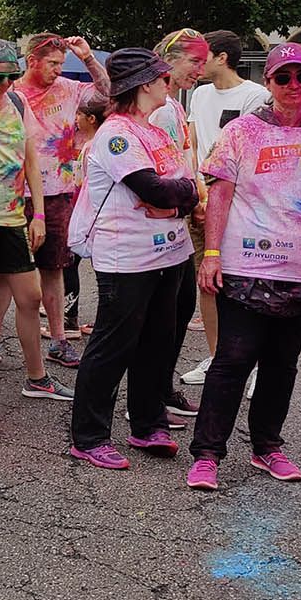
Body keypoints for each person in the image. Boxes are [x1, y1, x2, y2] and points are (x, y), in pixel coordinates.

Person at [189, 43, 301, 491]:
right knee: (232, 360)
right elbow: (219, 195)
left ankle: (267, 447)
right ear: (269, 82)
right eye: (283, 77)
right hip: (245, 264)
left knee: (282, 365)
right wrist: (212, 254)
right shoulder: (241, 132)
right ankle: (207, 454)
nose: (294, 85)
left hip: (300, 269)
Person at [65, 49, 202, 468]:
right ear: (144, 85)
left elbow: (188, 186)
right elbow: (155, 189)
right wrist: (181, 194)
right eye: (163, 78)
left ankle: (148, 423)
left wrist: (181, 195)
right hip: (127, 256)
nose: (169, 84)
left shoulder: (157, 131)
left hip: (170, 251)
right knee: (112, 345)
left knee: (158, 342)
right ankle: (89, 436)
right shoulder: (117, 134)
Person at [0, 40, 71, 411]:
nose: (6, 83)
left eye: (13, 76)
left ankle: (37, 377)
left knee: (30, 296)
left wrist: (38, 215)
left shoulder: (18, 103)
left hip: (12, 217)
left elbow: (31, 162)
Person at [180, 30, 271, 387]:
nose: (196, 64)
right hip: (201, 200)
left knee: (245, 286)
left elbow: (250, 154)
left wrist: (215, 195)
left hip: (239, 204)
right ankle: (218, 358)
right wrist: (198, 192)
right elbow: (192, 145)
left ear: (221, 57)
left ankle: (253, 364)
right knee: (208, 282)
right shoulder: (200, 94)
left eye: (201, 56)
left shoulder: (255, 96)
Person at [14, 32, 110, 367]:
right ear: (32, 61)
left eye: (60, 63)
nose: (58, 70)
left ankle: (58, 339)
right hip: (15, 192)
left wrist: (87, 58)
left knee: (54, 269)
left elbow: (107, 94)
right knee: (4, 271)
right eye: (52, 63)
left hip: (57, 193)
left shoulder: (69, 89)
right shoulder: (13, 94)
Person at [149, 28, 210, 423]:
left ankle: (160, 390)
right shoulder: (160, 109)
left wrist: (198, 198)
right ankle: (150, 399)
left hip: (178, 220)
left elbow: (185, 160)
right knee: (164, 313)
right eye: (194, 62)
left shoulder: (172, 105)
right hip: (161, 225)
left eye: (203, 63)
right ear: (169, 61)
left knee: (180, 305)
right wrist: (191, 200)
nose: (199, 71)